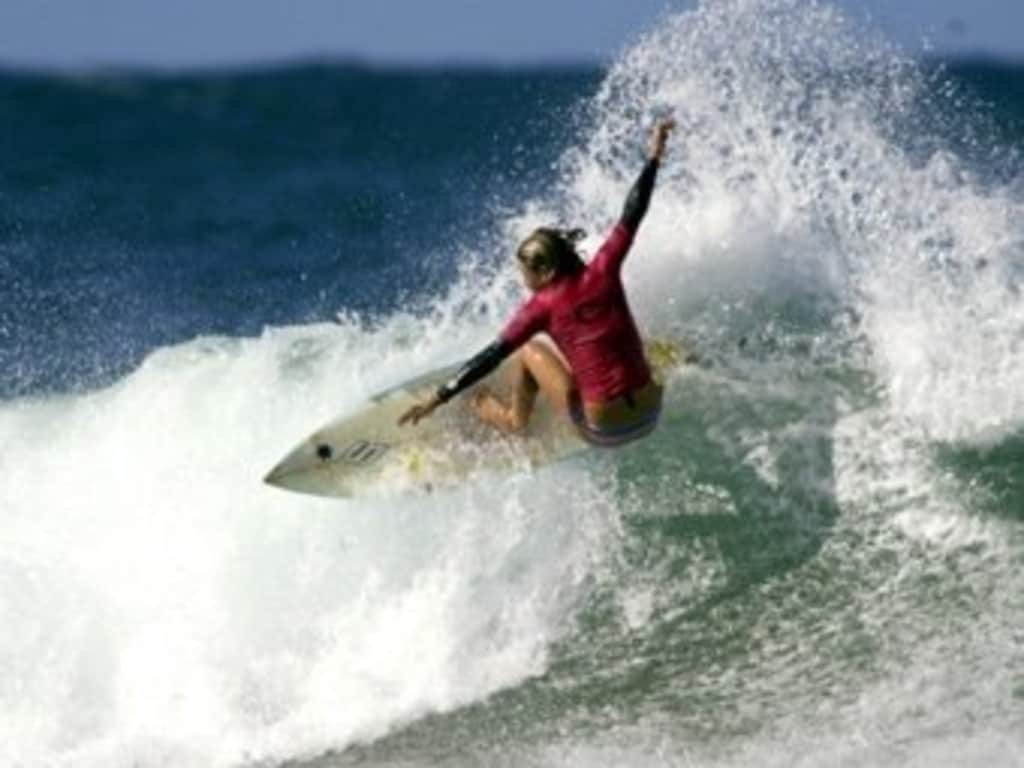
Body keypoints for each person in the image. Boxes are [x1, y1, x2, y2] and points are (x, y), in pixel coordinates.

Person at [399, 118, 675, 446]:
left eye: (525, 273)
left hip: (605, 432)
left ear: (544, 271)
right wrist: (654, 157)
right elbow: (633, 211)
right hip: (650, 416)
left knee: (528, 349)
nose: (524, 281)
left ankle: (514, 420)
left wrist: (437, 398)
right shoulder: (604, 268)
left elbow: (490, 357)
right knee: (638, 345)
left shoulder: (540, 308)